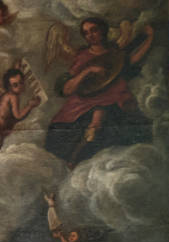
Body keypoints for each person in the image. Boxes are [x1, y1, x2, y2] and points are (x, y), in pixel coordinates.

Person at [45, 17, 155, 167]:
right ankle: (75, 159)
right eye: (86, 33)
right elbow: (68, 88)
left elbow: (131, 61)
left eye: (93, 30)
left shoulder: (115, 52)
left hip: (114, 97)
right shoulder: (83, 56)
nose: (90, 35)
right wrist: (89, 70)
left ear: (103, 30)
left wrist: (149, 38)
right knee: (95, 121)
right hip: (87, 101)